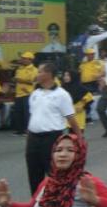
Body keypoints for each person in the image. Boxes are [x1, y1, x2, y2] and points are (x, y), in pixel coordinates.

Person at [26, 63, 81, 193]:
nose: (37, 75)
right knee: (33, 173)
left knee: (54, 173)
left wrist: (79, 138)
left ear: (49, 74)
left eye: (40, 72)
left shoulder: (62, 95)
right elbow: (33, 115)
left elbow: (71, 118)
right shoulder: (35, 94)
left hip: (52, 138)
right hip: (34, 138)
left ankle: (57, 203)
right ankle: (36, 204)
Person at [11, 51, 38, 135]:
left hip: (28, 94)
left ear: (30, 60)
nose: (22, 60)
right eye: (22, 58)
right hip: (18, 94)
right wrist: (14, 81)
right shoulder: (19, 69)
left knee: (27, 113)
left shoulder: (34, 70)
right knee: (18, 112)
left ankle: (28, 130)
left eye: (24, 58)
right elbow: (16, 80)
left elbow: (33, 82)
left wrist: (20, 80)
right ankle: (20, 130)